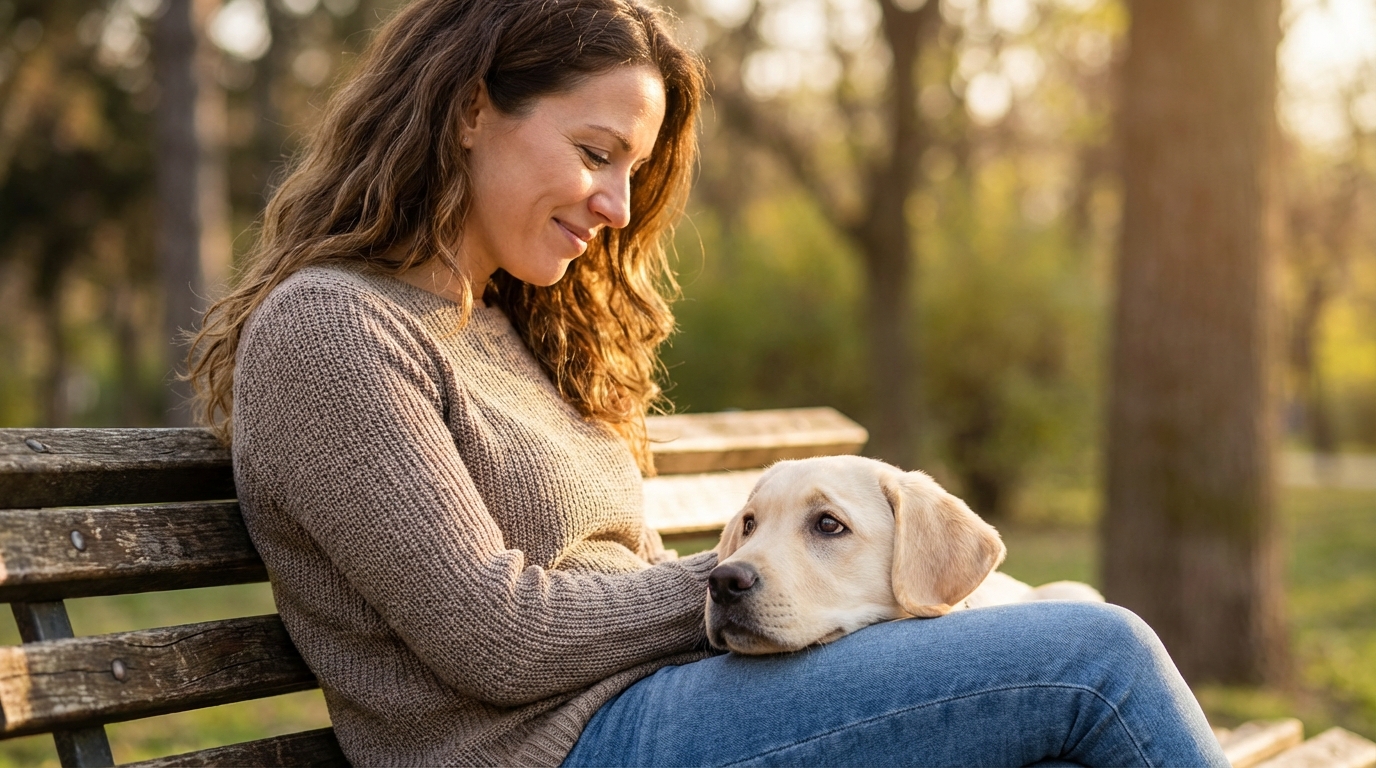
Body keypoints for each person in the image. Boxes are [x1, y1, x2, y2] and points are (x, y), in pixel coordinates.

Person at [188, 0, 1232, 765]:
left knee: (1059, 675)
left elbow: (611, 583)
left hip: (666, 708)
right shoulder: (333, 331)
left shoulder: (509, 327)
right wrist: (744, 582)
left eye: (632, 170)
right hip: (557, 751)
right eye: (596, 152)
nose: (613, 202)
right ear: (469, 109)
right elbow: (493, 640)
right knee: (1093, 659)